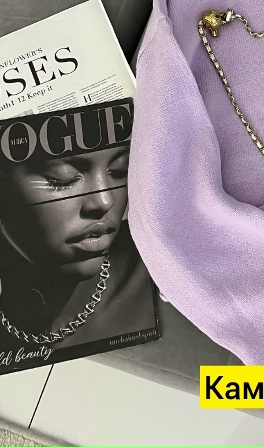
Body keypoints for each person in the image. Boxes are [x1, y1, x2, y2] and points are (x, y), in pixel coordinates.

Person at [0, 144, 155, 364]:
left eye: (120, 170)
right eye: (63, 178)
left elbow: (210, 383)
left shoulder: (165, 275)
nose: (104, 201)